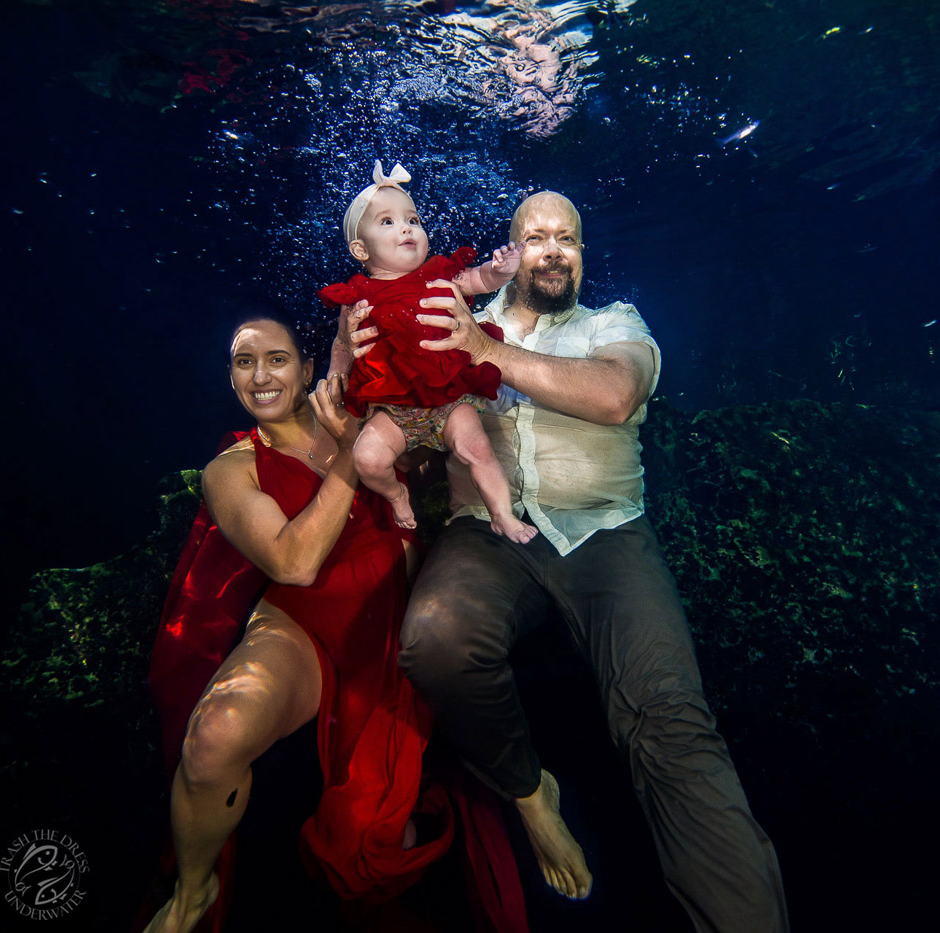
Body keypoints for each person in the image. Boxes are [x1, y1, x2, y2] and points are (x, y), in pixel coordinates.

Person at [368, 191, 790, 932]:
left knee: (670, 722)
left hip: (607, 535)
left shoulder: (613, 323)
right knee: (432, 637)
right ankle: (532, 796)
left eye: (568, 238)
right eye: (537, 238)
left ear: (583, 254)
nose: (554, 249)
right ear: (514, 251)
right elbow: (391, 384)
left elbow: (618, 394)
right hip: (486, 533)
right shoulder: (460, 315)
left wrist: (487, 353)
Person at [144, 314, 526, 933]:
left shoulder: (364, 411)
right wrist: (353, 452)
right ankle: (193, 889)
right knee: (213, 738)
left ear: (305, 370)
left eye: (277, 359)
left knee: (377, 833)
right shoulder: (232, 469)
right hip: (302, 622)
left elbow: (434, 447)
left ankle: (534, 811)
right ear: (230, 377)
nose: (262, 375)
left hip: (393, 614)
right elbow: (294, 564)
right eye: (244, 362)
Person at [318, 161, 537, 544]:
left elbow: (481, 279)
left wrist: (503, 271)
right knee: (367, 458)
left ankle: (503, 516)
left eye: (413, 219)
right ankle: (396, 494)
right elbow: (342, 342)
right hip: (393, 408)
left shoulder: (439, 276)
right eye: (387, 222)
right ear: (359, 248)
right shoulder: (355, 299)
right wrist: (338, 369)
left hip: (449, 397)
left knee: (478, 450)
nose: (406, 227)